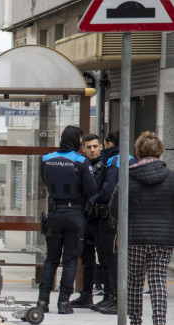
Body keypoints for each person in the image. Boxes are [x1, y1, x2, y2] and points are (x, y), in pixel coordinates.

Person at [109, 132, 174, 325]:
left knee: (135, 280)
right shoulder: (171, 177)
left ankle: (135, 324)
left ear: (138, 151)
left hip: (134, 238)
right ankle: (160, 324)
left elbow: (114, 208)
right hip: (163, 239)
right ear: (160, 151)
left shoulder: (128, 176)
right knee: (158, 280)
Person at [38, 125, 97, 315]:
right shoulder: (81, 162)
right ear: (77, 141)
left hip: (54, 215)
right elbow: (92, 190)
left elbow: (45, 181)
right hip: (74, 216)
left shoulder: (46, 159)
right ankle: (63, 302)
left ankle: (42, 301)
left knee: (51, 260)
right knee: (70, 261)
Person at [90, 130, 131, 315]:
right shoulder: (127, 158)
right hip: (116, 216)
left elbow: (108, 190)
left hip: (109, 216)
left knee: (110, 258)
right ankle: (108, 297)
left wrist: (92, 200)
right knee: (108, 258)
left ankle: (113, 298)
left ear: (107, 143)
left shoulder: (115, 161)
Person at [68, 133, 104, 309]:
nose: (92, 150)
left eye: (95, 146)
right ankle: (86, 294)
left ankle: (109, 295)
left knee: (105, 257)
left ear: (101, 147)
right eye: (88, 147)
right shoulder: (80, 165)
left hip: (101, 218)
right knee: (86, 257)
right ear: (83, 149)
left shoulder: (106, 166)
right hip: (84, 217)